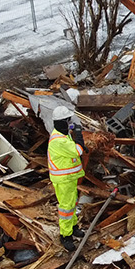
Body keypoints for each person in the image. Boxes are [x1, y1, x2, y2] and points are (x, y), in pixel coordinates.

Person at [47, 106, 86, 252]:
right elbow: (77, 151)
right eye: (68, 120)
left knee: (72, 205)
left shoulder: (63, 135)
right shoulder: (58, 140)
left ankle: (73, 227)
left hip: (69, 178)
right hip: (63, 180)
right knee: (66, 209)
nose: (70, 122)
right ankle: (66, 236)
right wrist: (79, 135)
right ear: (62, 122)